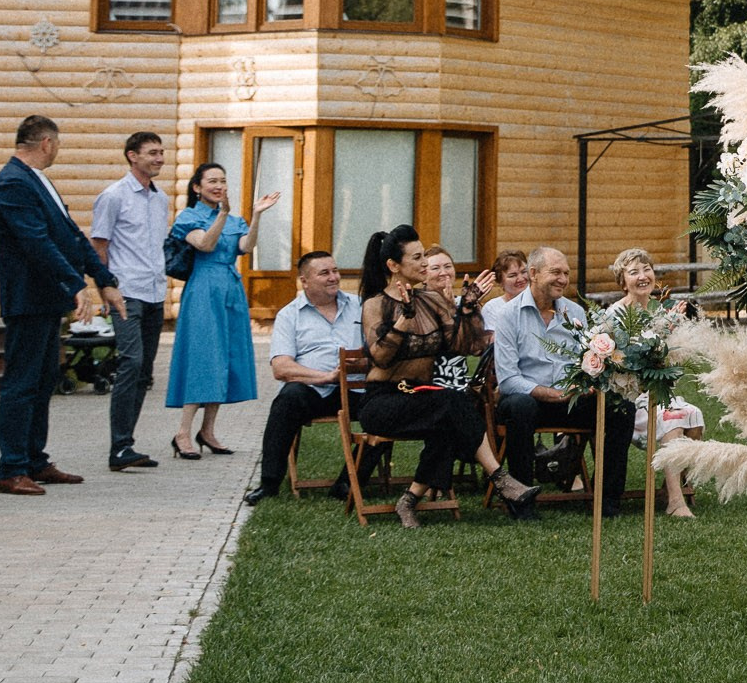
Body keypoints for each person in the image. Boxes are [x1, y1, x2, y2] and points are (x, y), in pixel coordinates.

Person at [0, 116, 124, 497]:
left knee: (44, 380)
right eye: (58, 144)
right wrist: (74, 285)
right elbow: (36, 243)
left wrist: (105, 280)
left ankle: (34, 461)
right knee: (22, 384)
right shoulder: (12, 183)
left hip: (45, 302)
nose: (58, 150)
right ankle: (11, 469)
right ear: (46, 142)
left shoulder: (37, 181)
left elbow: (71, 239)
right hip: (27, 301)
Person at [361, 238, 531, 525]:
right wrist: (404, 320)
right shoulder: (375, 304)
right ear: (394, 265)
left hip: (421, 397)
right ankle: (500, 479)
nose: (424, 264)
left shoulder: (433, 301)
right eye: (416, 258)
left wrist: (466, 307)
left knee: (451, 417)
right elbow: (380, 357)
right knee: (453, 404)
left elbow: (466, 347)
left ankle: (409, 499)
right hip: (382, 401)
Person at [493, 246, 636, 516]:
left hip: (572, 399)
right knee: (519, 407)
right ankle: (522, 502)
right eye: (555, 272)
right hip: (529, 399)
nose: (563, 279)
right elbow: (509, 379)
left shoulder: (575, 312)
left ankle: (608, 500)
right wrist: (551, 393)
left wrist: (589, 381)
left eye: (566, 273)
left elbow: (588, 360)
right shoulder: (508, 315)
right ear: (533, 274)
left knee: (621, 409)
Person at [162, 162, 274, 459]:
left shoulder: (236, 219)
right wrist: (222, 214)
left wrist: (257, 215)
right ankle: (183, 432)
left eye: (223, 180)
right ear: (197, 187)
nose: (219, 185)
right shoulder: (189, 216)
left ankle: (208, 430)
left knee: (225, 357)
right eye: (212, 181)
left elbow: (246, 247)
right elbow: (205, 245)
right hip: (203, 289)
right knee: (202, 357)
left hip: (230, 289)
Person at [247, 251, 365, 506]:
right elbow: (281, 367)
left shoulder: (360, 306)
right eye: (324, 273)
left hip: (357, 389)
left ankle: (348, 482)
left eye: (335, 270)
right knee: (287, 399)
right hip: (314, 390)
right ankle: (269, 484)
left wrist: (360, 363)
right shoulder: (290, 315)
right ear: (305, 281)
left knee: (388, 408)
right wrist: (325, 377)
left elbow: (380, 350)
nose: (334, 277)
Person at [601, 249, 706, 519]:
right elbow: (617, 363)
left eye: (646, 269)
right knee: (672, 419)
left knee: (694, 418)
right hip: (627, 398)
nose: (642, 276)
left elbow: (669, 356)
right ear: (623, 282)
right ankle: (674, 501)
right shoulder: (615, 315)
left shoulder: (660, 311)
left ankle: (668, 487)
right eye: (633, 272)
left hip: (656, 392)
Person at [90, 131, 170, 472]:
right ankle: (119, 446)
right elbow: (99, 247)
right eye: (152, 152)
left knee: (144, 371)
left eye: (161, 152)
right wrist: (105, 290)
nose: (159, 158)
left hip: (155, 293)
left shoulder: (161, 198)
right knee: (131, 362)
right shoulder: (113, 196)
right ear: (131, 156)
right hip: (126, 294)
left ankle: (126, 446)